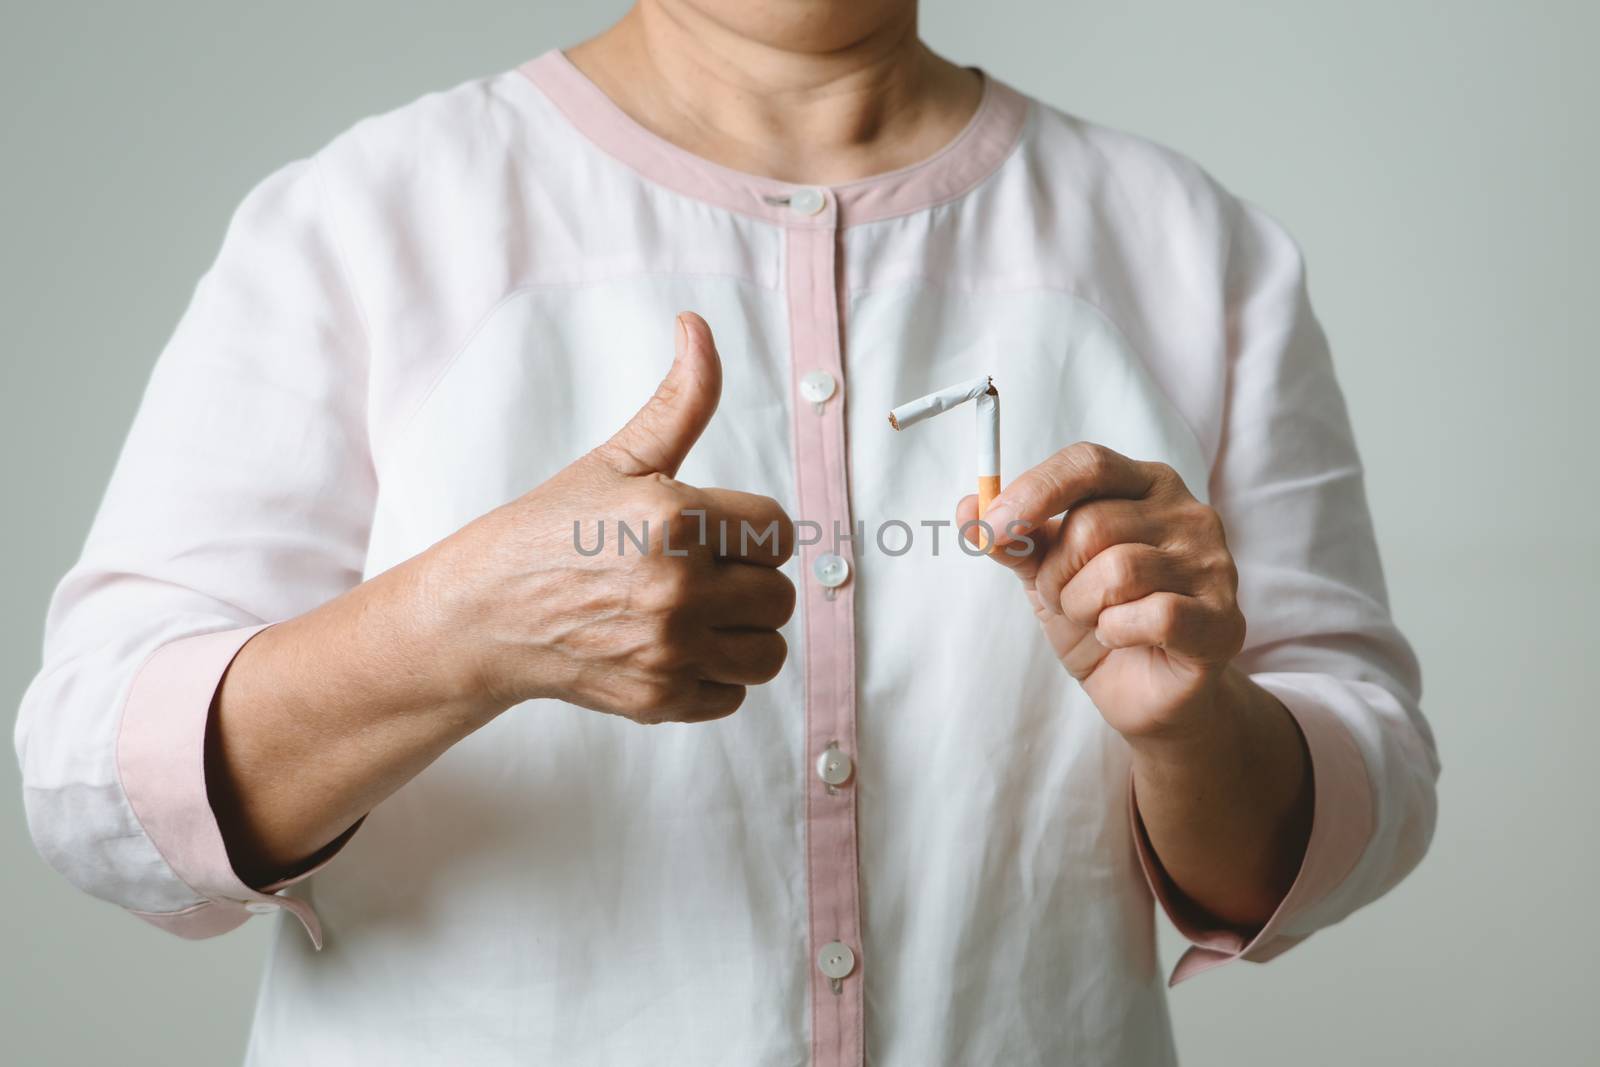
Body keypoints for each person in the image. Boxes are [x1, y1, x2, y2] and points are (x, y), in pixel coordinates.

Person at [14, 2, 1439, 1064]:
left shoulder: (1197, 250)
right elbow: (92, 782)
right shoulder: (365, 220)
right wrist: (457, 633)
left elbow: (1364, 784)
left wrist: (1196, 725)